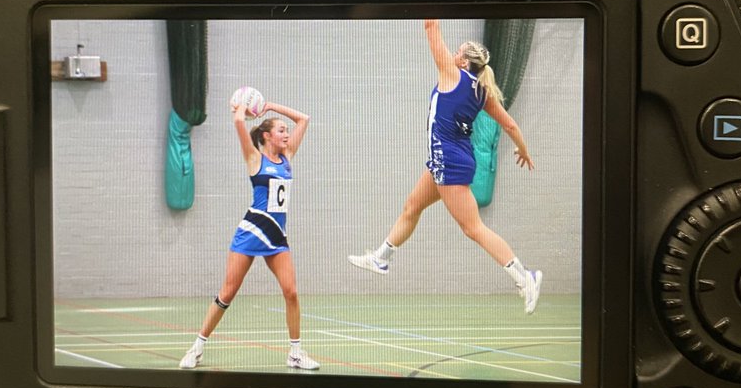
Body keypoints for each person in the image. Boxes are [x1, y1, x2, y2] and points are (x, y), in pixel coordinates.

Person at [348, 19, 542, 313]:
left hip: (449, 162)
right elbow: (510, 124)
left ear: (463, 61)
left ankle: (524, 276)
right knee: (412, 206)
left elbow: (430, 28)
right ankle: (381, 257)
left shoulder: (452, 74)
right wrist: (523, 149)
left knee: (473, 228)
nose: (453, 52)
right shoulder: (481, 90)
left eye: (459, 51)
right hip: (449, 158)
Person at [179, 97, 319, 370]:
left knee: (291, 292)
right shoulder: (255, 159)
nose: (287, 134)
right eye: (281, 130)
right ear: (266, 136)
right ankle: (196, 348)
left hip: (277, 237)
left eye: (286, 131)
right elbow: (238, 121)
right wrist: (242, 106)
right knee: (227, 293)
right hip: (250, 232)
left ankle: (295, 353)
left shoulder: (287, 158)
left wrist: (270, 106)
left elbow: (304, 118)